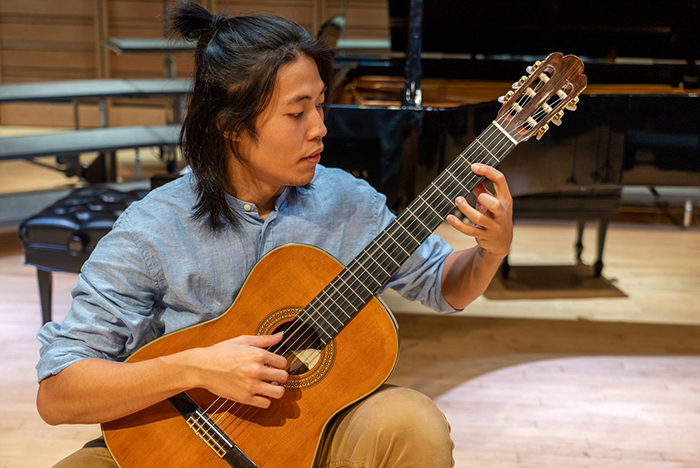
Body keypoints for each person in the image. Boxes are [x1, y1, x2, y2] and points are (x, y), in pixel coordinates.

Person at [35, 2, 513, 467]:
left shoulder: (348, 201)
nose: (320, 129)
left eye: (321, 106)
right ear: (231, 127)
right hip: (176, 437)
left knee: (413, 421)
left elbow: (442, 284)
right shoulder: (152, 230)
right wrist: (196, 368)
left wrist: (491, 250)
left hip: (314, 429)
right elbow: (58, 394)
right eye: (296, 113)